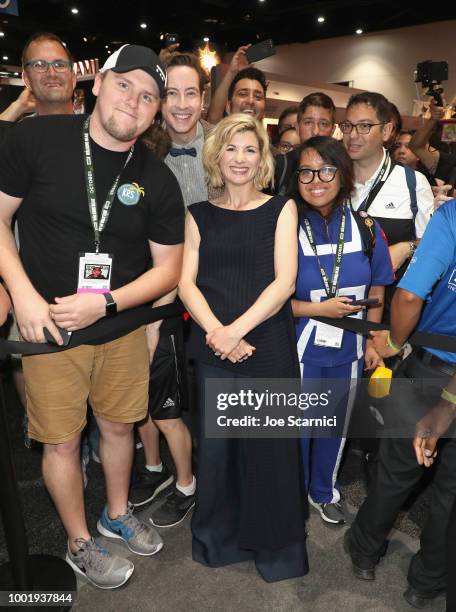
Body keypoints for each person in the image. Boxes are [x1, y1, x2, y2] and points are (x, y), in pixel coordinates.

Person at [0, 44, 185, 589]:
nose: (134, 100)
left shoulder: (157, 177)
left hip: (120, 327)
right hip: (48, 328)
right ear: (98, 84)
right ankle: (80, 541)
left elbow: (167, 270)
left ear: (155, 112)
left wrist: (105, 302)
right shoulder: (35, 138)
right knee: (59, 439)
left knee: (119, 425)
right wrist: (24, 293)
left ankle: (117, 511)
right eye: (125, 84)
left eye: (148, 95)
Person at [178, 113, 308, 582]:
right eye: (231, 148)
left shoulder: (281, 209)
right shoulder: (198, 214)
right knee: (217, 452)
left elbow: (284, 282)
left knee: (268, 452)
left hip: (267, 346)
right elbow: (186, 284)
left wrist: (236, 331)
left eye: (250, 149)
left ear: (262, 159)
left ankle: (276, 553)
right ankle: (220, 542)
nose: (240, 158)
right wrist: (219, 333)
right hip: (214, 349)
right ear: (217, 156)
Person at [344, 198, 456, 609]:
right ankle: (427, 581)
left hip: (431, 368)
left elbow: (408, 296)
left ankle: (364, 551)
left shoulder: (452, 215)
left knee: (396, 470)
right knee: (451, 492)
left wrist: (393, 340)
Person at [292, 136, 394, 524]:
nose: (316, 179)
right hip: (301, 346)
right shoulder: (287, 226)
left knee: (334, 426)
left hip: (349, 347)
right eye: (306, 171)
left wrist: (373, 336)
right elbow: (272, 297)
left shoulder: (367, 227)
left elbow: (378, 285)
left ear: (343, 174)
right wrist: (320, 308)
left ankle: (323, 490)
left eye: (327, 170)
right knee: (298, 428)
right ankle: (292, 491)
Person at [0, 31, 76, 123]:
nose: (52, 73)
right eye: (39, 65)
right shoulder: (19, 132)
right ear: (27, 79)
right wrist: (19, 106)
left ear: (73, 79)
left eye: (59, 65)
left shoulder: (94, 130)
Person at [273, 92, 336, 196]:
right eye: (308, 123)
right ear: (297, 128)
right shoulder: (280, 166)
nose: (315, 131)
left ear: (333, 130)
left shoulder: (342, 168)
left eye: (323, 124)